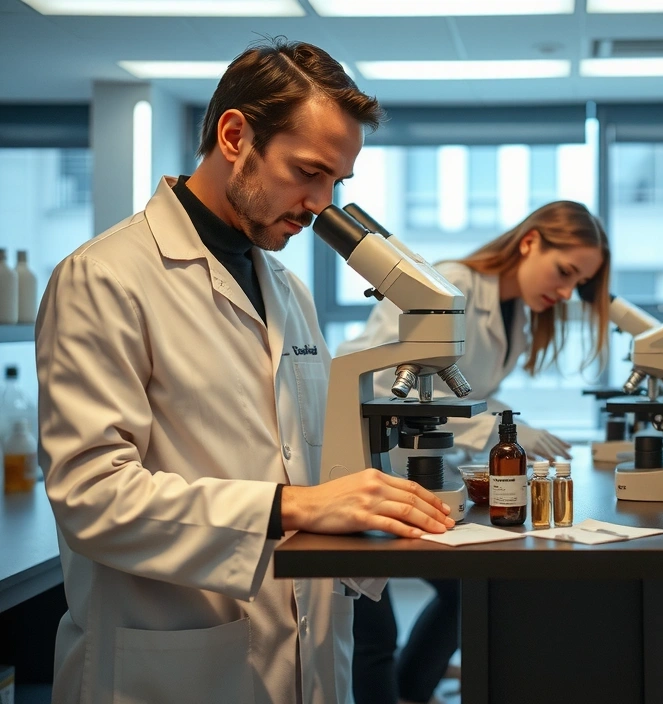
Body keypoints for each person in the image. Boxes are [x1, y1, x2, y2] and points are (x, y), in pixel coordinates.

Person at [36, 39, 455, 704]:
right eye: (308, 172)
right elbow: (91, 496)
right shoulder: (105, 278)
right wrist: (293, 505)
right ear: (235, 135)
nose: (321, 202)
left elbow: (299, 463)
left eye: (336, 184)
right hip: (171, 664)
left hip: (304, 653)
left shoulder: (288, 289)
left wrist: (377, 513)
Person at [336, 200, 611, 704]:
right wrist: (491, 427)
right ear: (530, 242)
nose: (568, 291)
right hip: (362, 465)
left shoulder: (518, 314)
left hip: (421, 471)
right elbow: (371, 372)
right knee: (371, 623)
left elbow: (469, 387)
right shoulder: (447, 283)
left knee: (465, 592)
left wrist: (513, 425)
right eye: (565, 272)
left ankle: (411, 692)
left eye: (579, 284)